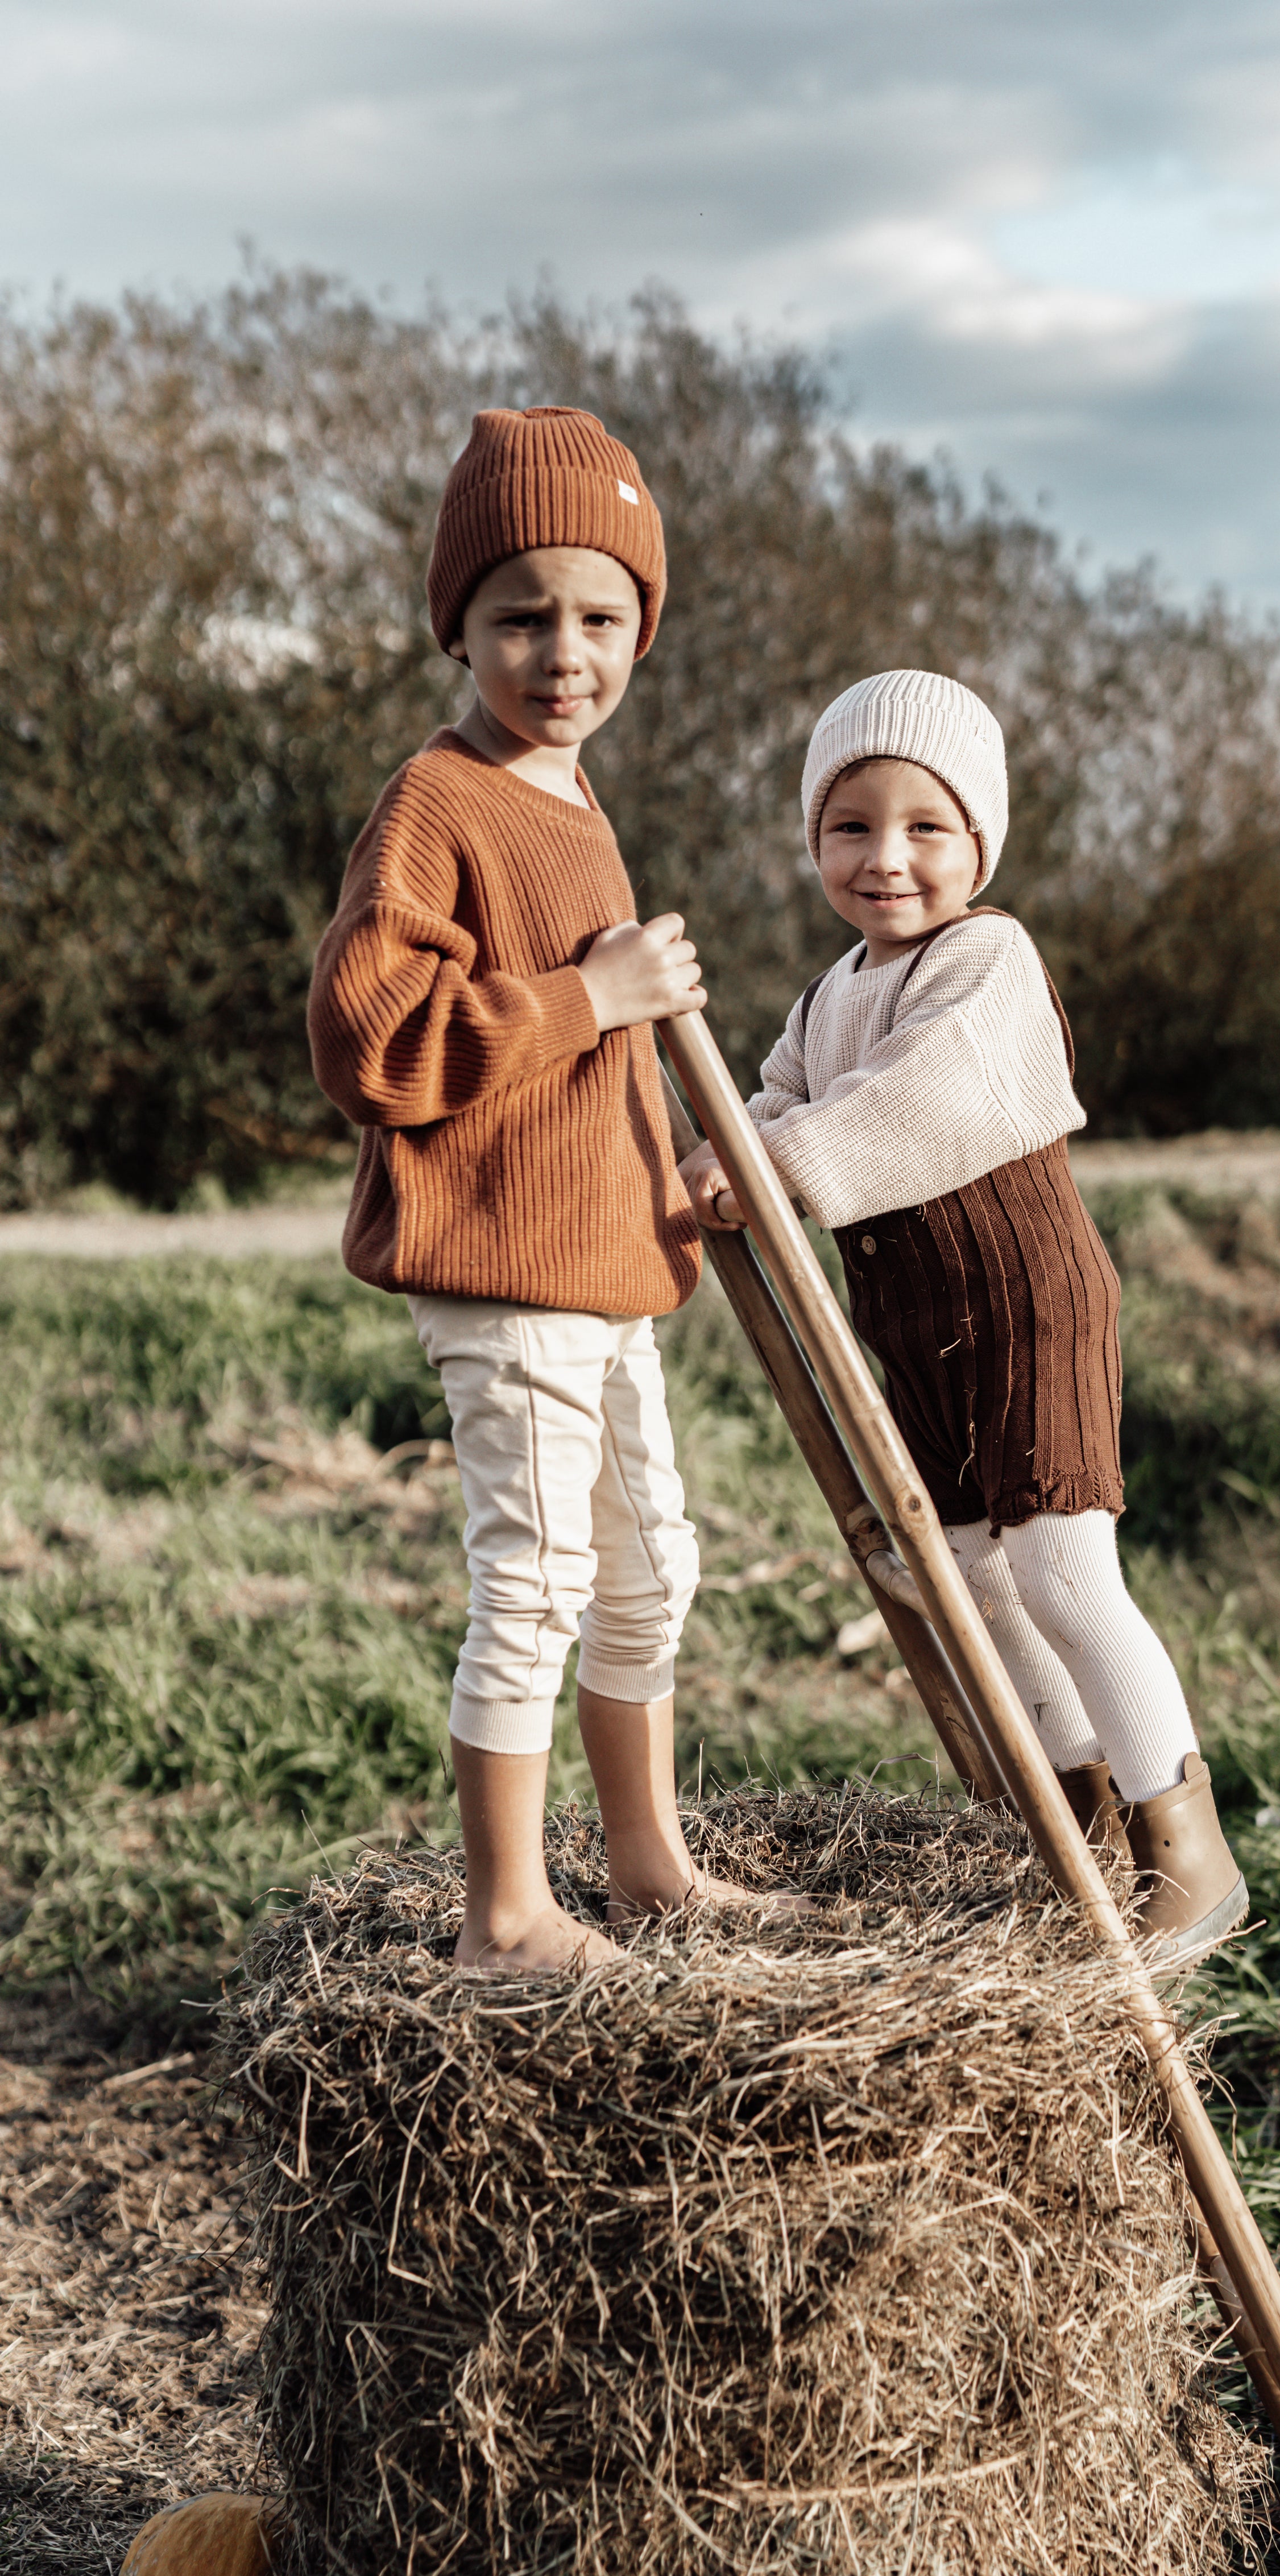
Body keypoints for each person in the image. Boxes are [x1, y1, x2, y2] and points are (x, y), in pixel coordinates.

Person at [677, 670, 1248, 1962]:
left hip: (1025, 1304)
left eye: (924, 827)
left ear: (979, 841)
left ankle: (1188, 1848)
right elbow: (775, 1096)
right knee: (978, 1583)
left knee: (1060, 1566)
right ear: (814, 841)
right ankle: (1082, 1830)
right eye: (849, 827)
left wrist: (770, 1168)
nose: (885, 860)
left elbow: (920, 1098)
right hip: (916, 1328)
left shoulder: (985, 960)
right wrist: (722, 1153)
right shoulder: (831, 994)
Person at [309, 403, 755, 1974]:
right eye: (520, 616)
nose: (563, 652)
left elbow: (593, 1078)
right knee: (539, 1581)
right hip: (501, 1270)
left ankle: (648, 1866)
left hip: (606, 1261)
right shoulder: (439, 803)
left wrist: (671, 1175)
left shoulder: (574, 801)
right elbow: (374, 1039)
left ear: (641, 627)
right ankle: (506, 1917)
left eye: (600, 616)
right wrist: (591, 998)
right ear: (459, 629)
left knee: (656, 1565)